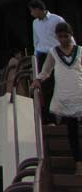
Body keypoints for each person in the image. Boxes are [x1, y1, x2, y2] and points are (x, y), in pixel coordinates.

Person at [32, 22, 82, 175]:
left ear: (70, 35)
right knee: (71, 131)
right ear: (56, 37)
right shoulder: (53, 52)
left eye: (66, 36)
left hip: (80, 92)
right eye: (60, 36)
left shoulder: (80, 51)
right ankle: (78, 163)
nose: (63, 39)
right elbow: (46, 71)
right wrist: (38, 79)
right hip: (65, 96)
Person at [29, 0, 66, 122]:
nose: (31, 13)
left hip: (57, 54)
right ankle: (50, 119)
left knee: (61, 85)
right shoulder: (35, 23)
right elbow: (36, 41)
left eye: (32, 10)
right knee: (45, 88)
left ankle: (66, 117)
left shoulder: (57, 20)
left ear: (38, 9)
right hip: (43, 55)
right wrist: (36, 56)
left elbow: (68, 36)